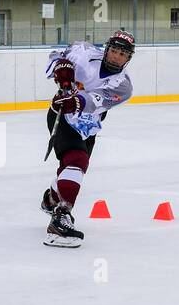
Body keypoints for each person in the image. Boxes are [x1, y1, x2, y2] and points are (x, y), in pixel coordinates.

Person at [41, 29, 135, 247]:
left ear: (128, 58)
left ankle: (51, 200)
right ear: (107, 48)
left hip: (88, 126)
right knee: (77, 161)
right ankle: (60, 220)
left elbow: (96, 100)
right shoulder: (84, 52)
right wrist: (61, 68)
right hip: (62, 116)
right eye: (113, 50)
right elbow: (56, 56)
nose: (116, 56)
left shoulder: (123, 85)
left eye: (122, 54)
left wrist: (76, 101)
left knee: (72, 169)